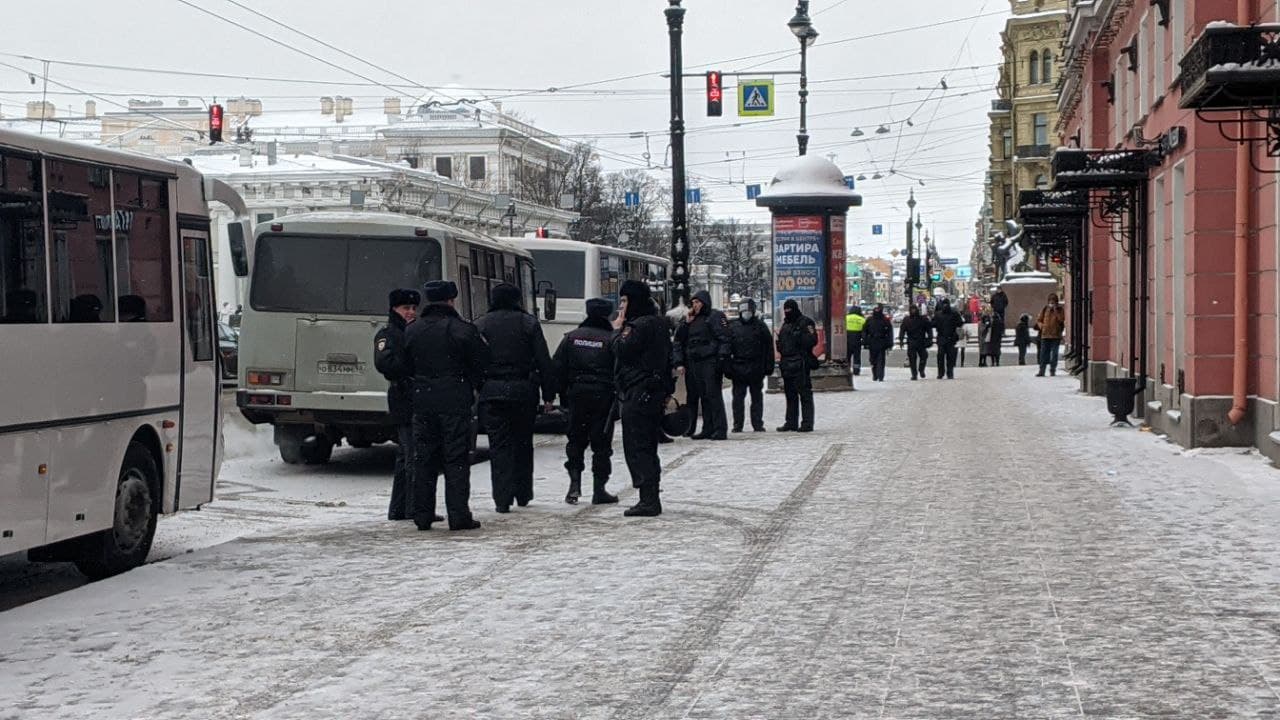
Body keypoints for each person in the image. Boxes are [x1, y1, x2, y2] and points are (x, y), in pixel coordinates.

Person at [403, 280, 488, 531]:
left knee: (424, 458)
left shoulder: (413, 330)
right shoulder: (463, 330)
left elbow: (404, 365)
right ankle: (459, 514)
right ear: (451, 300)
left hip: (423, 401)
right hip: (455, 401)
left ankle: (422, 514)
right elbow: (482, 363)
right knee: (456, 459)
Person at [475, 283, 556, 513]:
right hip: (523, 391)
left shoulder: (481, 324)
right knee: (522, 442)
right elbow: (543, 360)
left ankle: (502, 498)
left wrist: (482, 385)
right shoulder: (528, 323)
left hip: (493, 392)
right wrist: (548, 394)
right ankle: (522, 492)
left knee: (498, 446)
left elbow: (474, 360)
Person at [374, 288, 440, 523]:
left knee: (405, 456)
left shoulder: (411, 331)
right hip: (404, 397)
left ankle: (399, 508)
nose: (411, 312)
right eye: (406, 308)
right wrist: (412, 369)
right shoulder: (389, 334)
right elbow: (385, 363)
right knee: (414, 455)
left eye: (413, 308)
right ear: (394, 309)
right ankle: (415, 507)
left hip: (414, 397)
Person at [612, 280, 673, 517]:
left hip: (639, 391)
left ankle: (648, 499)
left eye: (625, 300)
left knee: (637, 446)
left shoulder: (638, 326)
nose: (622, 306)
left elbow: (620, 350)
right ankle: (650, 495)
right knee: (647, 445)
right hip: (652, 390)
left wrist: (617, 330)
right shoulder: (658, 322)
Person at [552, 297, 618, 506]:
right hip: (603, 397)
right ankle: (599, 489)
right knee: (601, 444)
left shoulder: (571, 338)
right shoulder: (611, 339)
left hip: (577, 395)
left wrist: (561, 395)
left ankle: (574, 484)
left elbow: (557, 368)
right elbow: (620, 369)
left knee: (576, 441)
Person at [674, 289, 731, 440]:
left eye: (697, 302)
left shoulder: (714, 317)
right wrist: (685, 324)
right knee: (701, 396)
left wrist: (721, 358)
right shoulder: (690, 320)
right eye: (693, 303)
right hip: (694, 362)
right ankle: (707, 427)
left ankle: (719, 428)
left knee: (713, 396)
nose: (695, 305)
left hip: (710, 360)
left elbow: (724, 338)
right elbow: (679, 340)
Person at [727, 298, 775, 433]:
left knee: (756, 398)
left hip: (756, 366)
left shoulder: (760, 326)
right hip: (738, 366)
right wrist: (728, 367)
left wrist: (768, 366)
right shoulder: (734, 327)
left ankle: (757, 423)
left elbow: (768, 348)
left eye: (748, 310)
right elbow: (728, 348)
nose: (746, 313)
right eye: (743, 311)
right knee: (738, 398)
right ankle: (738, 424)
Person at [776, 299, 817, 432]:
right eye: (786, 310)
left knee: (804, 394)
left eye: (790, 310)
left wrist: (799, 337)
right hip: (787, 363)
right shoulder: (785, 324)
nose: (788, 313)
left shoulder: (806, 322)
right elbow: (782, 343)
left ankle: (807, 423)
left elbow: (812, 340)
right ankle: (791, 422)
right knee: (790, 395)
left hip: (801, 363)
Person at [897, 304, 933, 381]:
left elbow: (929, 329)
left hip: (921, 341)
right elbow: (902, 330)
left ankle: (921, 369)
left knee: (924, 356)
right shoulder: (907, 319)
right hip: (911, 341)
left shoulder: (923, 319)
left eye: (914, 309)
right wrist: (901, 340)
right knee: (912, 359)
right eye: (912, 309)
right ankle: (914, 374)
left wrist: (930, 338)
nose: (913, 311)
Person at [1035, 292, 1066, 376]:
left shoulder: (1060, 310)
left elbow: (1061, 320)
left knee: (1054, 354)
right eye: (1050, 301)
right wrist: (1042, 326)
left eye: (1053, 301)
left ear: (1056, 302)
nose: (1051, 303)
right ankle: (1042, 371)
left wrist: (1055, 310)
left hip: (1056, 335)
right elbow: (1039, 320)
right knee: (1043, 354)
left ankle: (1052, 370)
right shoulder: (1045, 309)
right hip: (1045, 335)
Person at [932, 299, 964, 379]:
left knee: (948, 357)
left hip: (949, 338)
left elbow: (960, 323)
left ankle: (946, 373)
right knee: (943, 356)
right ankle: (944, 373)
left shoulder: (952, 313)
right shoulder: (942, 314)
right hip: (945, 337)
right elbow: (933, 324)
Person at [863, 304, 893, 382]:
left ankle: (880, 375)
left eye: (878, 309)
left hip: (882, 341)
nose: (877, 311)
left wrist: (890, 342)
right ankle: (875, 374)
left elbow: (890, 332)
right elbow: (864, 331)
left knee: (881, 360)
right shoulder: (869, 320)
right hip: (872, 341)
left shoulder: (885, 320)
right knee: (873, 360)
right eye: (875, 309)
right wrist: (865, 340)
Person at [846, 305, 866, 376]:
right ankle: (856, 370)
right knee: (856, 357)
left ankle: (846, 369)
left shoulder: (846, 318)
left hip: (847, 341)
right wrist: (864, 341)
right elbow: (864, 333)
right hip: (857, 341)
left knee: (847, 356)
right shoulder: (862, 320)